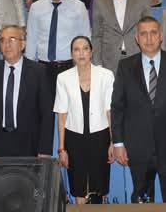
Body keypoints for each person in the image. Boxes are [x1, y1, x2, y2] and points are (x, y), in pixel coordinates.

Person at [111, 17, 166, 203]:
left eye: (153, 33)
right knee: (141, 200)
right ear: (137, 38)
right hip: (138, 148)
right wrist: (118, 143)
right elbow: (118, 108)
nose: (149, 38)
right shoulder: (125, 67)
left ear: (160, 36)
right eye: (143, 34)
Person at [0, 23, 53, 159]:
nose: (7, 45)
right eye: (2, 40)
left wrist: (45, 149)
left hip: (31, 145)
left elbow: (47, 114)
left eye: (12, 39)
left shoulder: (39, 72)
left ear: (22, 44)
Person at [55, 36, 115, 204]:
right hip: (74, 139)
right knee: (78, 186)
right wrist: (61, 149)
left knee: (99, 187)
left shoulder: (106, 75)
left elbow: (110, 111)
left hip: (100, 137)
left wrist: (113, 141)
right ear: (72, 54)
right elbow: (62, 115)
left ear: (91, 52)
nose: (81, 53)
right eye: (76, 49)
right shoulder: (63, 78)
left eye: (85, 49)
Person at [26, 0, 90, 91]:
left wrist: (85, 66)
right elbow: (31, 39)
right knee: (45, 102)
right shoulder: (36, 7)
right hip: (43, 67)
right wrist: (29, 68)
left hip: (69, 66)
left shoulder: (79, 7)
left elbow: (86, 38)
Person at [91, 0, 151, 74]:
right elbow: (96, 35)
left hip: (137, 56)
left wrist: (149, 57)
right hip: (109, 60)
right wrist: (97, 64)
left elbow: (148, 30)